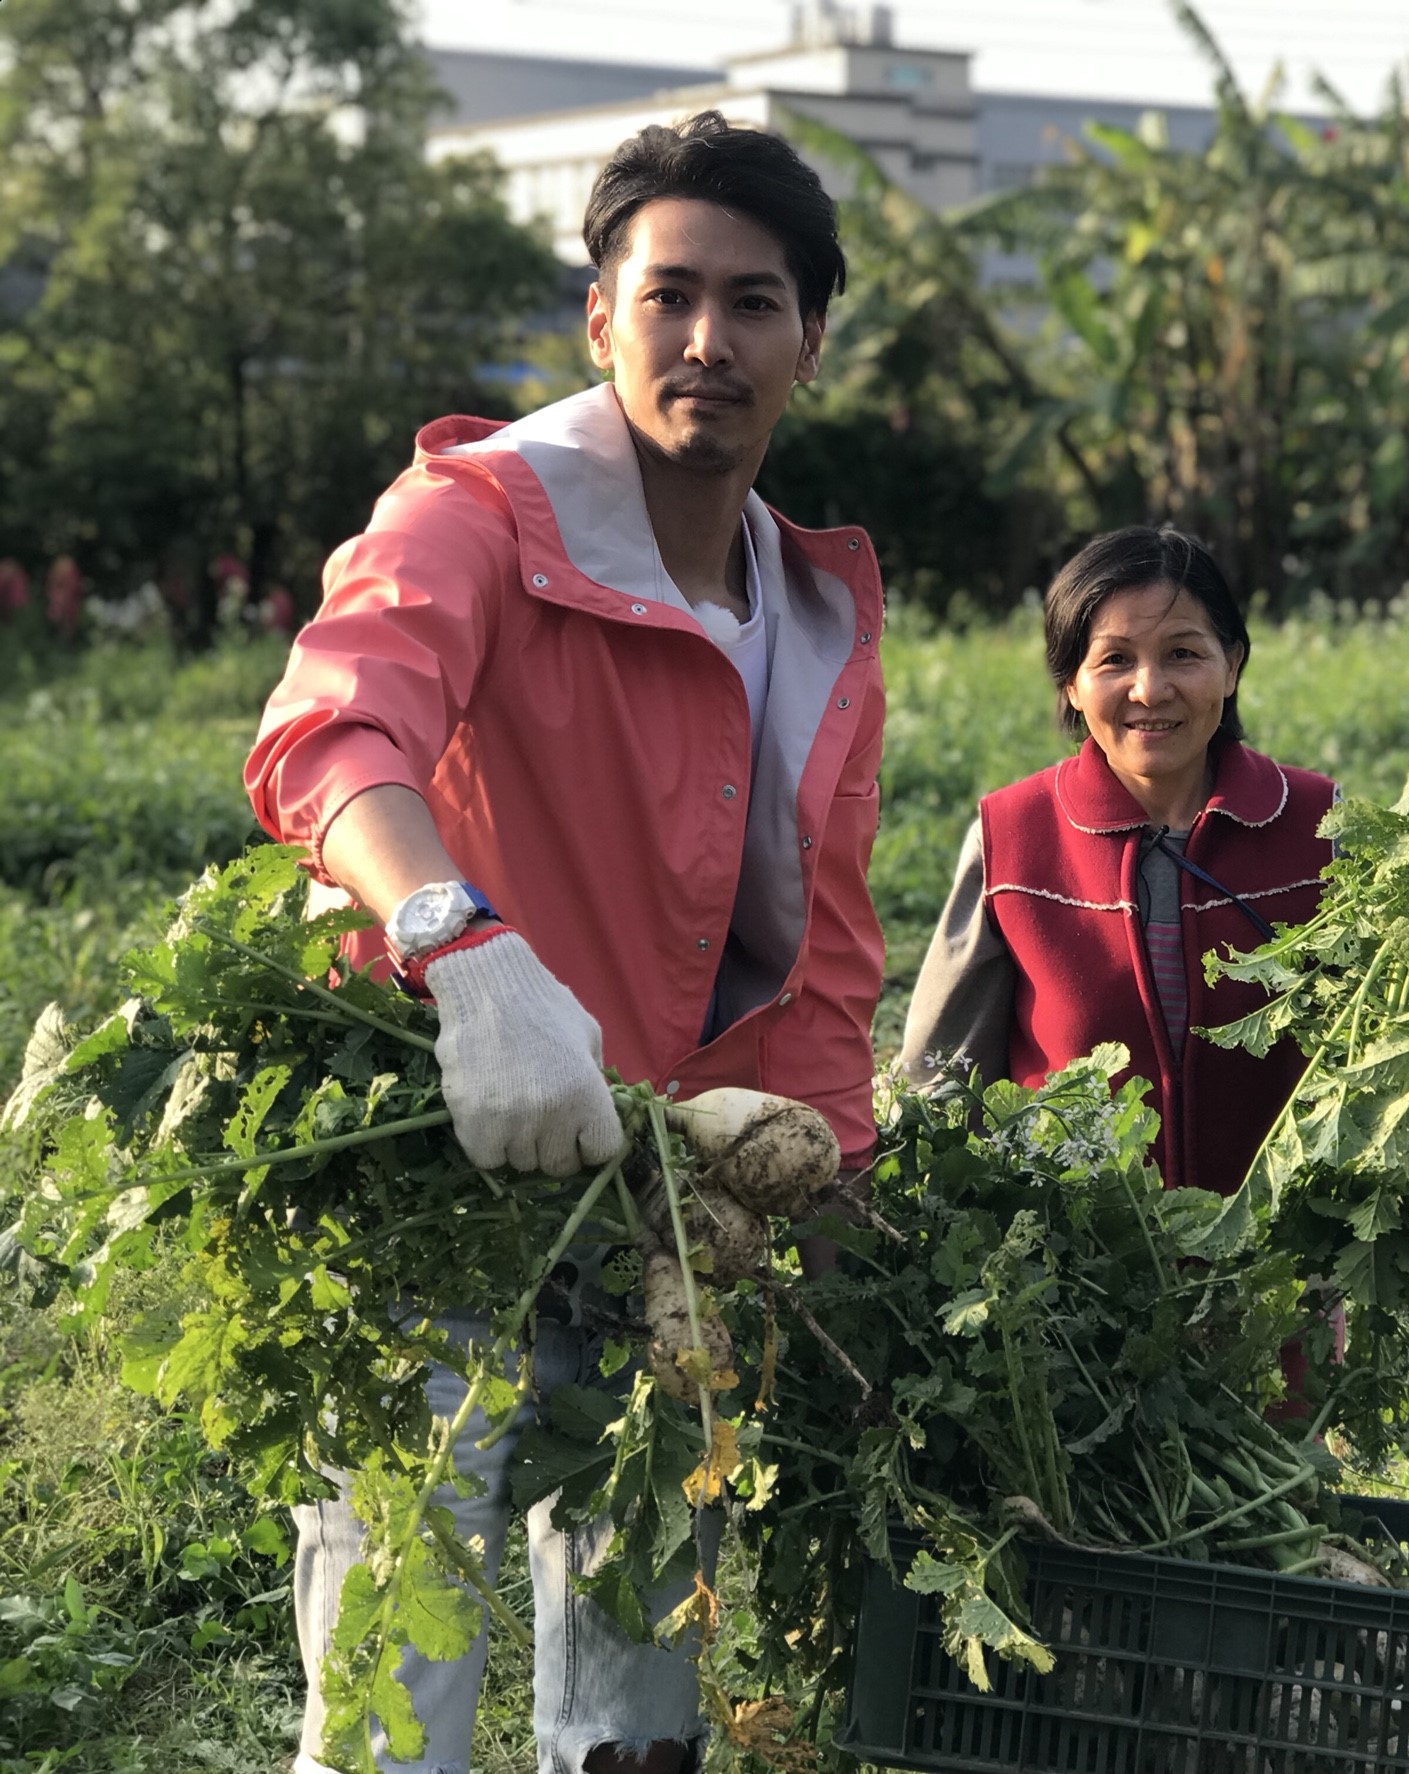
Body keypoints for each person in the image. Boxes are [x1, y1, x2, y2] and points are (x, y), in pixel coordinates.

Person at [245, 112, 886, 1774]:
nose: (705, 340)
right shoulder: (474, 514)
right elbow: (327, 734)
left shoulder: (814, 615)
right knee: (402, 1677)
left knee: (637, 1697)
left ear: (808, 338)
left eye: (752, 303)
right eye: (665, 294)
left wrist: (838, 1205)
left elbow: (817, 957)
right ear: (597, 316)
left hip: (661, 1207)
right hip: (444, 1173)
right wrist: (458, 939)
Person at [899, 525, 1332, 1199]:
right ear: (1070, 684)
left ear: (1234, 664)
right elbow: (941, 1079)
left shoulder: (1317, 824)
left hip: (1280, 1268)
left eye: (1184, 653)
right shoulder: (1013, 836)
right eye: (1115, 660)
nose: (1150, 689)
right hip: (1078, 1276)